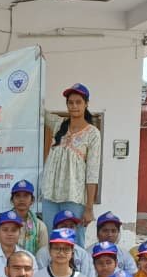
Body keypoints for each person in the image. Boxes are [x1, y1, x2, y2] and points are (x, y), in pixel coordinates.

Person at [41, 83, 102, 232]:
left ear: (86, 103)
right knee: (51, 238)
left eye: (78, 102)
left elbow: (92, 173)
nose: (74, 106)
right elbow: (38, 111)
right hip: (50, 195)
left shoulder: (92, 133)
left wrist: (89, 208)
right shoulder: (58, 125)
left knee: (74, 241)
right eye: (70, 102)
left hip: (74, 197)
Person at [0, 180, 48, 253]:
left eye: (25, 196)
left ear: (32, 200)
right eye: (17, 196)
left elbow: (42, 254)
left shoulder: (40, 226)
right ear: (12, 200)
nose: (21, 199)